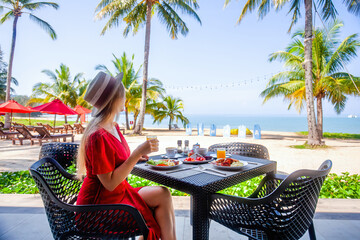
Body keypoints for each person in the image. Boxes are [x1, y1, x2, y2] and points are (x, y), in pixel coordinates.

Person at [76, 72, 176, 240]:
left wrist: (139, 156)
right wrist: (136, 153)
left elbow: (117, 162)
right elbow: (110, 183)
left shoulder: (112, 127)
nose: (125, 98)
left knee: (163, 194)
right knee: (159, 209)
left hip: (118, 195)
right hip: (97, 209)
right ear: (114, 99)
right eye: (123, 95)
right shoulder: (98, 136)